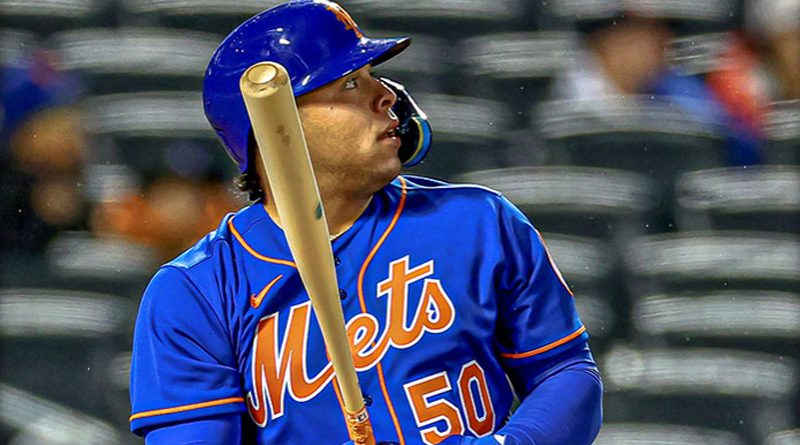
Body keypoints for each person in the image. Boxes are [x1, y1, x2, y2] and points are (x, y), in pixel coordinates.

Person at [128, 1, 603, 444]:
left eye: (372, 75)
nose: (386, 95)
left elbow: (565, 372)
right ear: (276, 129)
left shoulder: (477, 223)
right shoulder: (197, 290)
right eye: (350, 85)